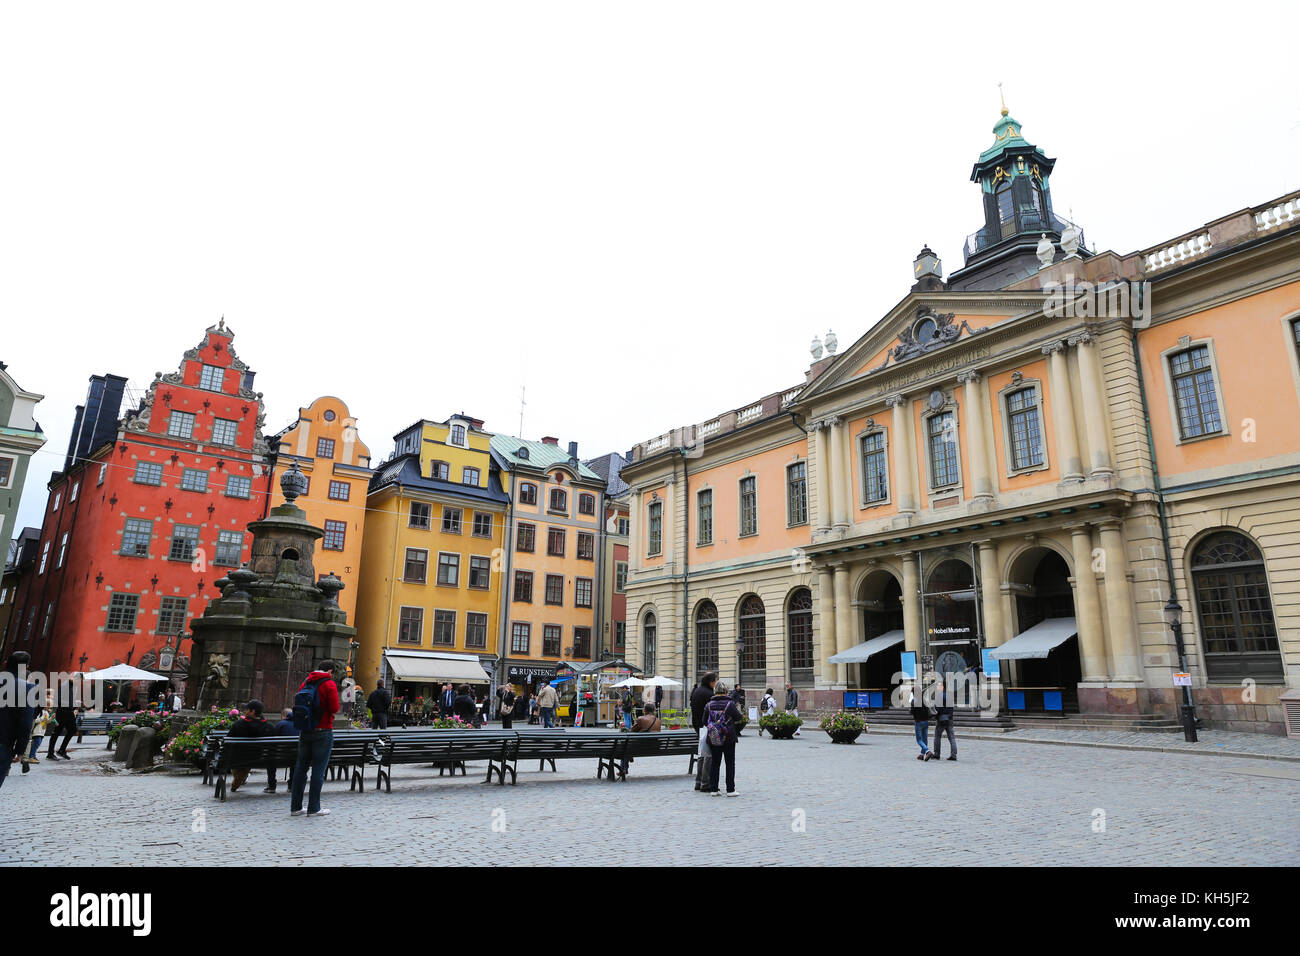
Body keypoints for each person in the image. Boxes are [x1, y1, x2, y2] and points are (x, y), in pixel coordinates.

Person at [290, 660, 341, 817]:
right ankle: (314, 808)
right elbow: (334, 708)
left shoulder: (306, 682)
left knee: (300, 769)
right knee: (318, 770)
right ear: (330, 671)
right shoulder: (329, 684)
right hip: (323, 730)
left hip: (305, 730)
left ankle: (296, 808)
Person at [0, 652, 36, 790]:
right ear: (26, 667)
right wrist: (20, 750)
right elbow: (25, 724)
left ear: (5, 663)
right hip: (4, 743)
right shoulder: (27, 689)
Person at [704, 679, 744, 796]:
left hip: (714, 737)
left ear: (715, 691)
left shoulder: (709, 705)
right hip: (728, 737)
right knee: (729, 763)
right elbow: (739, 717)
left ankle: (714, 789)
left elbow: (704, 721)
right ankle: (730, 790)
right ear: (726, 691)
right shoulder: (729, 704)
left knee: (715, 763)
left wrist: (714, 727)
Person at [227, 699, 275, 793]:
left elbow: (228, 741)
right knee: (248, 759)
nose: (245, 711)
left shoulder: (239, 725)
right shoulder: (269, 727)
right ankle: (240, 779)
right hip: (260, 758)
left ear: (252, 711)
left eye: (247, 709)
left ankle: (238, 781)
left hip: (238, 758)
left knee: (239, 760)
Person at [690, 672, 717, 791]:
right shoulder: (709, 694)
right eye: (715, 681)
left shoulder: (696, 691)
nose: (715, 683)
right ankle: (706, 783)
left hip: (698, 726)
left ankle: (698, 781)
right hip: (707, 726)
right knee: (708, 755)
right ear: (711, 682)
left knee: (702, 754)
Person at [46, 680, 77, 760]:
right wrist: (71, 704)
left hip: (68, 712)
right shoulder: (64, 686)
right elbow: (57, 699)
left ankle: (61, 750)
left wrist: (74, 704)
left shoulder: (72, 686)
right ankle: (50, 753)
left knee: (72, 730)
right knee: (57, 732)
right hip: (63, 712)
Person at [933, 683, 957, 761]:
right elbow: (952, 708)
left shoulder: (939, 696)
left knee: (937, 737)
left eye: (939, 686)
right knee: (952, 738)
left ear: (942, 687)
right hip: (949, 719)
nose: (937, 687)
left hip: (941, 719)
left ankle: (937, 754)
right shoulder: (949, 696)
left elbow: (937, 709)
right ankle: (953, 755)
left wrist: (935, 716)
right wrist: (950, 716)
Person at [910, 688, 935, 761]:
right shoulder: (925, 700)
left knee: (919, 740)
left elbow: (912, 712)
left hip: (918, 722)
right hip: (926, 721)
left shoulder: (914, 701)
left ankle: (927, 751)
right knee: (925, 739)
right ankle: (921, 754)